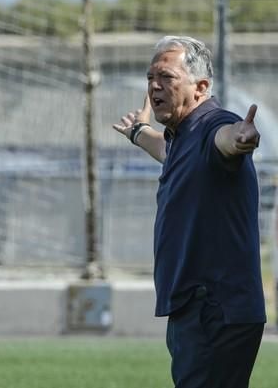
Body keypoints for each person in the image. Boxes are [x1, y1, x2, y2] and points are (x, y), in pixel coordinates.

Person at [113, 35, 266, 388]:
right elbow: (166, 151)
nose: (154, 86)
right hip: (199, 309)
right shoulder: (181, 137)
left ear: (200, 87)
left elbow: (226, 139)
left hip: (214, 307)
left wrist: (242, 138)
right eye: (150, 77)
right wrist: (139, 132)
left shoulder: (212, 124)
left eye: (166, 77)